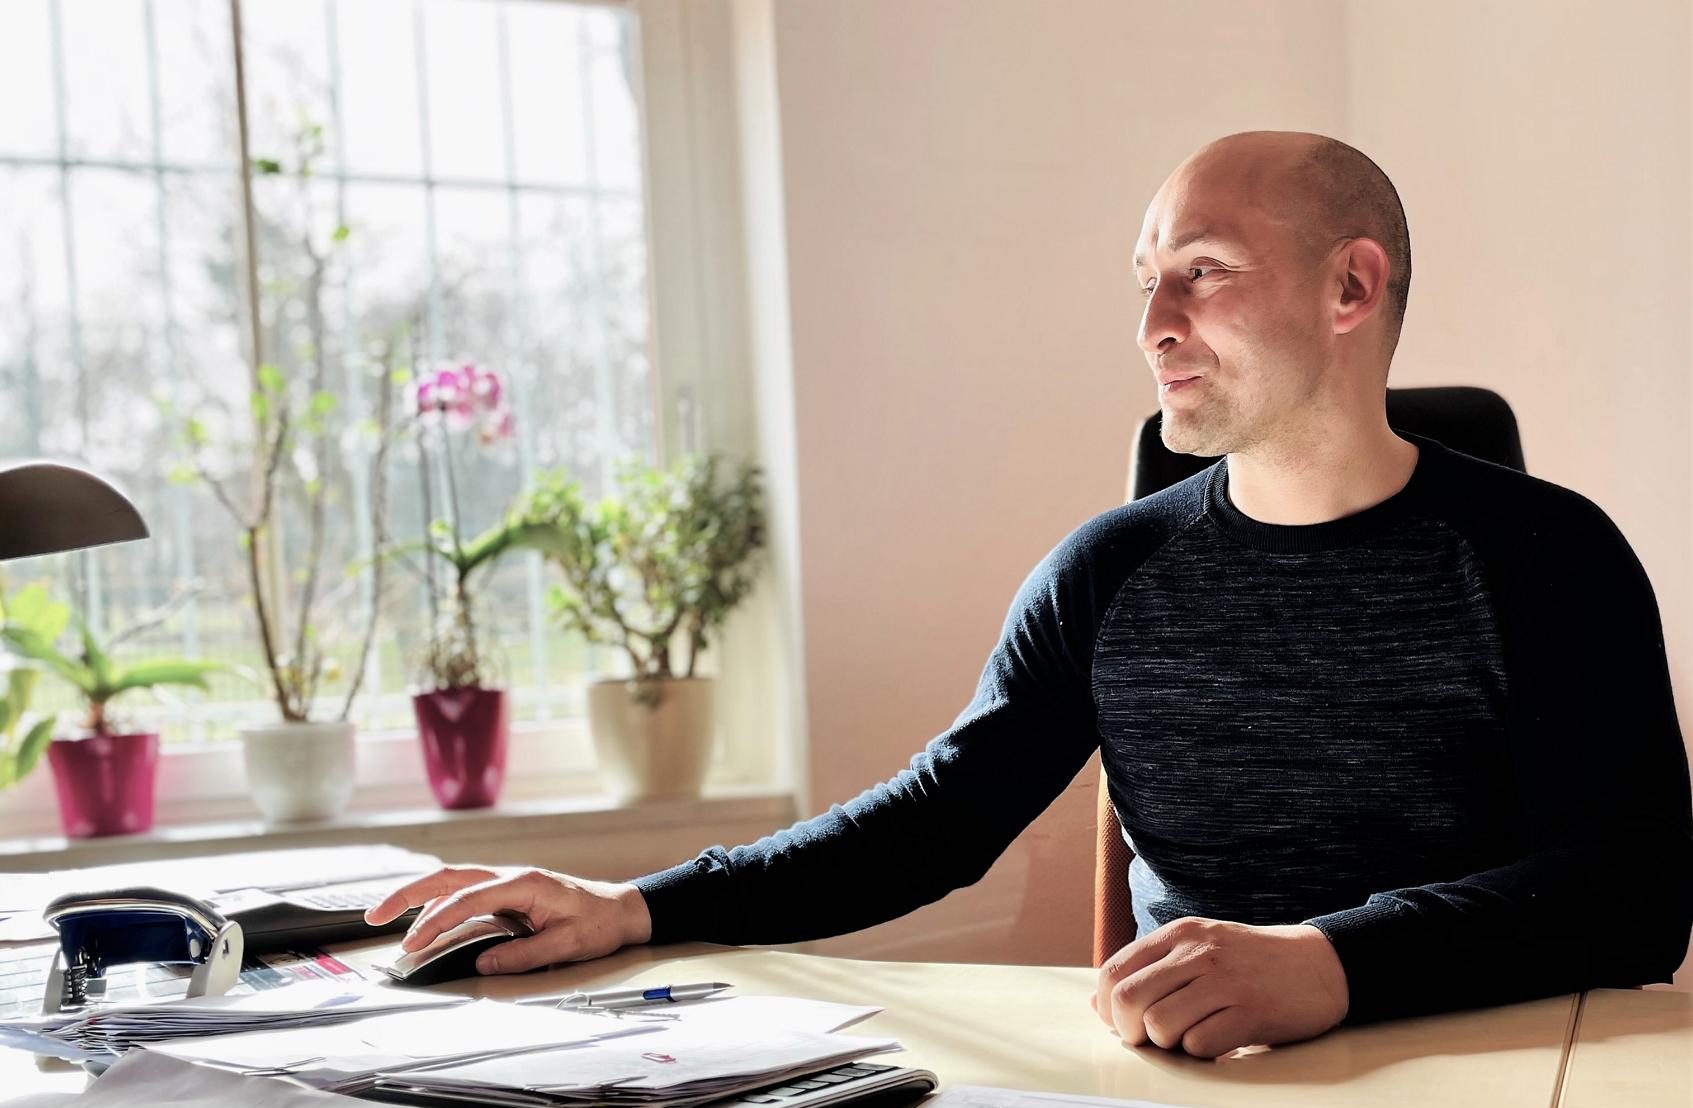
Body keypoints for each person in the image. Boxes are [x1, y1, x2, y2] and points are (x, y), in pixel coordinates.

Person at [366, 131, 1693, 1059]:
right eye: (1145, 283)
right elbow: (933, 824)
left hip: (1513, 1069)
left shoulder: (1550, 557)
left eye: (1202, 271)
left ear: (1351, 286)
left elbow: (1632, 894)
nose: (1152, 324)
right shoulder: (1107, 573)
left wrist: (1331, 961)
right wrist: (636, 906)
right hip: (1201, 1080)